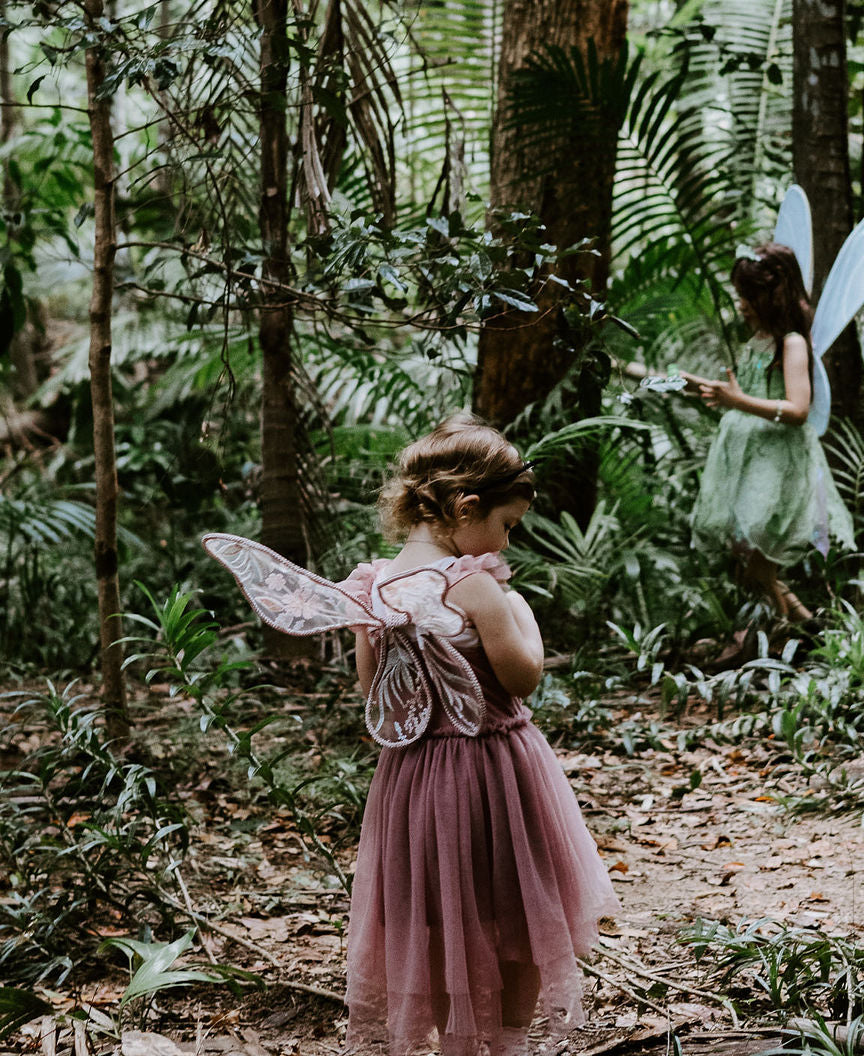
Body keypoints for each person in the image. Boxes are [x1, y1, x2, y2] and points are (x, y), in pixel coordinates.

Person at [206, 414, 615, 1056]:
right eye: (507, 525)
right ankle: (509, 1045)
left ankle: (458, 1042)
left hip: (418, 780)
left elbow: (375, 691)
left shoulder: (372, 589)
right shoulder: (473, 584)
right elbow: (521, 677)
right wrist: (525, 619)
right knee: (517, 910)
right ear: (465, 507)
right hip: (496, 771)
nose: (506, 541)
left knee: (445, 916)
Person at [681, 243, 854, 627]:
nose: (741, 305)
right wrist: (705, 388)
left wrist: (737, 401)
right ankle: (812, 632)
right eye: (740, 295)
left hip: (778, 466)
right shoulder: (758, 340)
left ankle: (783, 639)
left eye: (749, 296)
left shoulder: (791, 342)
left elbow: (798, 409)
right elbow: (751, 393)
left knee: (759, 569)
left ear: (773, 296)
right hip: (751, 462)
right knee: (752, 566)